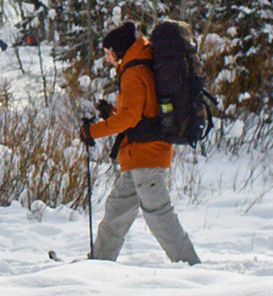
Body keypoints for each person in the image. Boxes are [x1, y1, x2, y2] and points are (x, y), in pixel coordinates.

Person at [78, 21, 201, 265]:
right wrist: (110, 113)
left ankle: (191, 265)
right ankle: (99, 263)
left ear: (119, 50)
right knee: (117, 210)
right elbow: (141, 113)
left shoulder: (134, 71)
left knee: (158, 214)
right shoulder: (136, 65)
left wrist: (93, 131)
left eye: (108, 52)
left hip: (145, 155)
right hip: (137, 156)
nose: (107, 58)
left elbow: (131, 117)